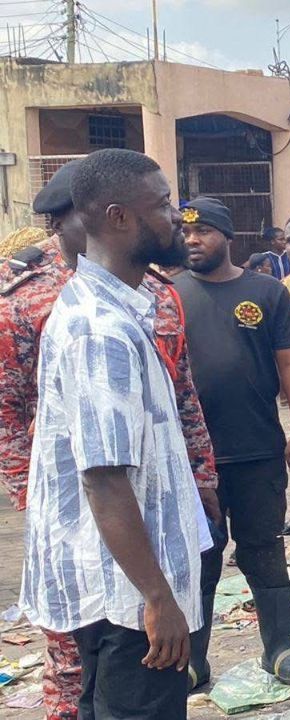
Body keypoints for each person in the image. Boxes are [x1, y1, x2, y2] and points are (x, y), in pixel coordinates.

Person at [1, 158, 219, 716]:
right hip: (125, 593)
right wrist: (157, 597)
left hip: (121, 577)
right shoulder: (102, 331)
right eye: (164, 205)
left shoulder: (113, 304)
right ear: (120, 218)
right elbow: (103, 478)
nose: (177, 218)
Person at [174, 196, 290, 685]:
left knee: (264, 549)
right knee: (201, 558)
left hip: (258, 450)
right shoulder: (167, 293)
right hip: (191, 461)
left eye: (204, 232)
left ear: (228, 236)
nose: (192, 240)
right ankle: (194, 660)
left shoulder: (266, 292)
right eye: (186, 233)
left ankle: (279, 648)